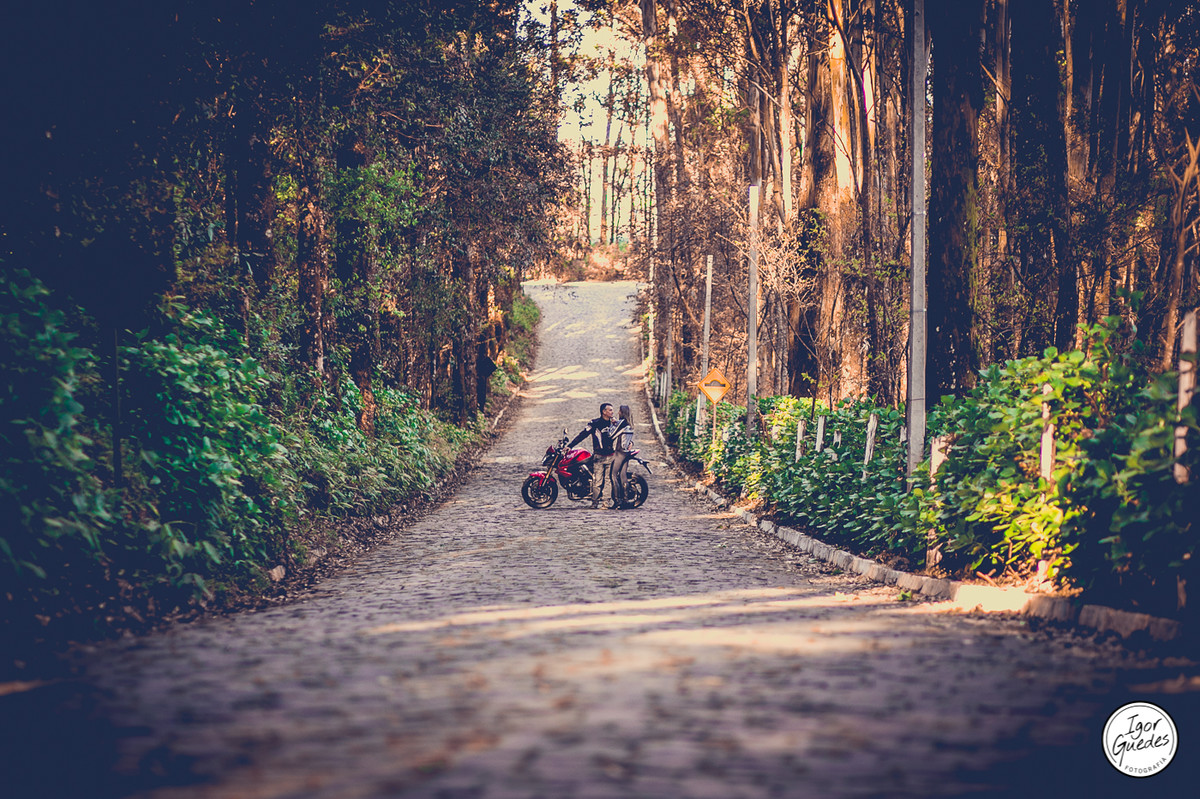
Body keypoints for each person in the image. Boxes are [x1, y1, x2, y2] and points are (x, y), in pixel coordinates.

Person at [568, 403, 618, 508]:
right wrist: (570, 446)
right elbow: (582, 435)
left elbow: (625, 432)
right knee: (597, 480)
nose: (612, 412)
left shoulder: (614, 424)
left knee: (608, 480)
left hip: (611, 456)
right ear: (603, 412)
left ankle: (605, 502)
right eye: (610, 410)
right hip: (599, 456)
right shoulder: (594, 423)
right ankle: (594, 502)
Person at [611, 405, 635, 509]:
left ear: (622, 412)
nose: (617, 412)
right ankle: (625, 500)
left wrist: (612, 425)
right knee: (622, 475)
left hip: (619, 452)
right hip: (626, 453)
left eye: (619, 411)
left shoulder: (621, 423)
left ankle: (617, 501)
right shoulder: (629, 424)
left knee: (613, 475)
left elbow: (612, 435)